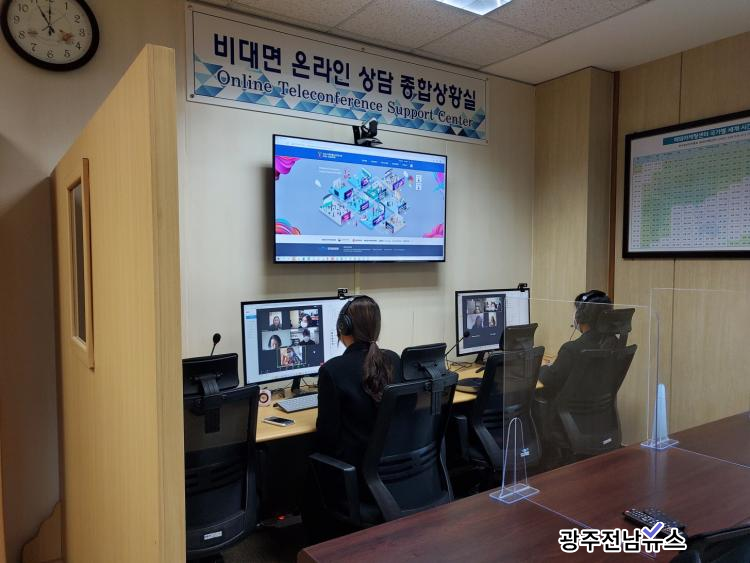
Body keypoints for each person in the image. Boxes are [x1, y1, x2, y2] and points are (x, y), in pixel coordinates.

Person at [304, 295, 401, 541]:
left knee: (303, 461)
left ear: (343, 327)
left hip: (356, 480)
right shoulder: (393, 360)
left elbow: (326, 439)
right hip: (394, 475)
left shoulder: (332, 370)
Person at [536, 290, 613, 399]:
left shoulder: (571, 349)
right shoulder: (613, 342)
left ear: (580, 316)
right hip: (600, 406)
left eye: (576, 310)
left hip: (567, 408)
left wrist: (543, 365)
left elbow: (549, 380)